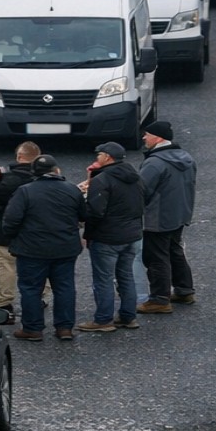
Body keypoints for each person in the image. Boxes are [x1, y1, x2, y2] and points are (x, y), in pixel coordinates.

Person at [2, 154, 84, 341]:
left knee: (31, 288)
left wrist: (13, 237)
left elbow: (11, 220)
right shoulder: (71, 190)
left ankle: (33, 328)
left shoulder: (25, 191)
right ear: (56, 171)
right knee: (65, 287)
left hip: (32, 249)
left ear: (34, 173)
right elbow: (83, 214)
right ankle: (64, 328)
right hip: (65, 248)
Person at [79, 142, 145, 332]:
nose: (96, 158)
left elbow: (95, 212)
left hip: (107, 238)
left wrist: (86, 230)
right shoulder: (135, 177)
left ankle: (103, 320)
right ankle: (128, 317)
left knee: (104, 279)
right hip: (132, 235)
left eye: (99, 155)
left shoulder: (103, 180)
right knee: (126, 276)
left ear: (107, 157)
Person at [137, 122, 198, 314]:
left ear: (158, 138)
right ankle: (184, 290)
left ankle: (159, 299)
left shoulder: (155, 163)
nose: (144, 138)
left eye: (147, 135)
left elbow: (142, 190)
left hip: (157, 218)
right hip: (179, 214)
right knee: (174, 251)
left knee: (155, 257)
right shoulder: (186, 158)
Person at [0, 142, 42, 315]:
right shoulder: (43, 178)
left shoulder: (8, 179)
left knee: (5, 266)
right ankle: (40, 299)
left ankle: (4, 304)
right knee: (38, 266)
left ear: (19, 157)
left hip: (5, 231)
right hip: (36, 232)